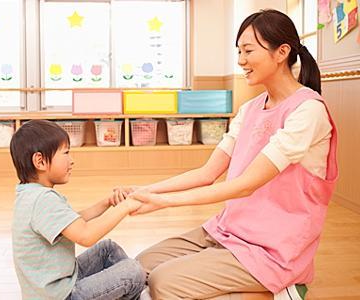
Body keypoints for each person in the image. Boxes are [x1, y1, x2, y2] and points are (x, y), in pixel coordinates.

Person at [113, 9, 338, 300]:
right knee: (138, 268)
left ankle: (282, 289)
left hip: (273, 248)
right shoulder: (251, 108)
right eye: (239, 51)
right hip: (228, 229)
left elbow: (246, 184)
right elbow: (207, 174)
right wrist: (144, 191)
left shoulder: (308, 111)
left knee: (162, 283)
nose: (241, 60)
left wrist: (162, 202)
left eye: (248, 51)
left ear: (281, 52)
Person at [10, 119, 146, 300]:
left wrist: (107, 202)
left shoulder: (29, 194)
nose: (72, 160)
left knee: (107, 249)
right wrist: (126, 206)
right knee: (133, 271)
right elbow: (86, 235)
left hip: (62, 282)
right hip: (61, 295)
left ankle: (131, 291)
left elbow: (73, 221)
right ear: (40, 161)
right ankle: (135, 292)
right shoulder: (43, 200)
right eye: (66, 153)